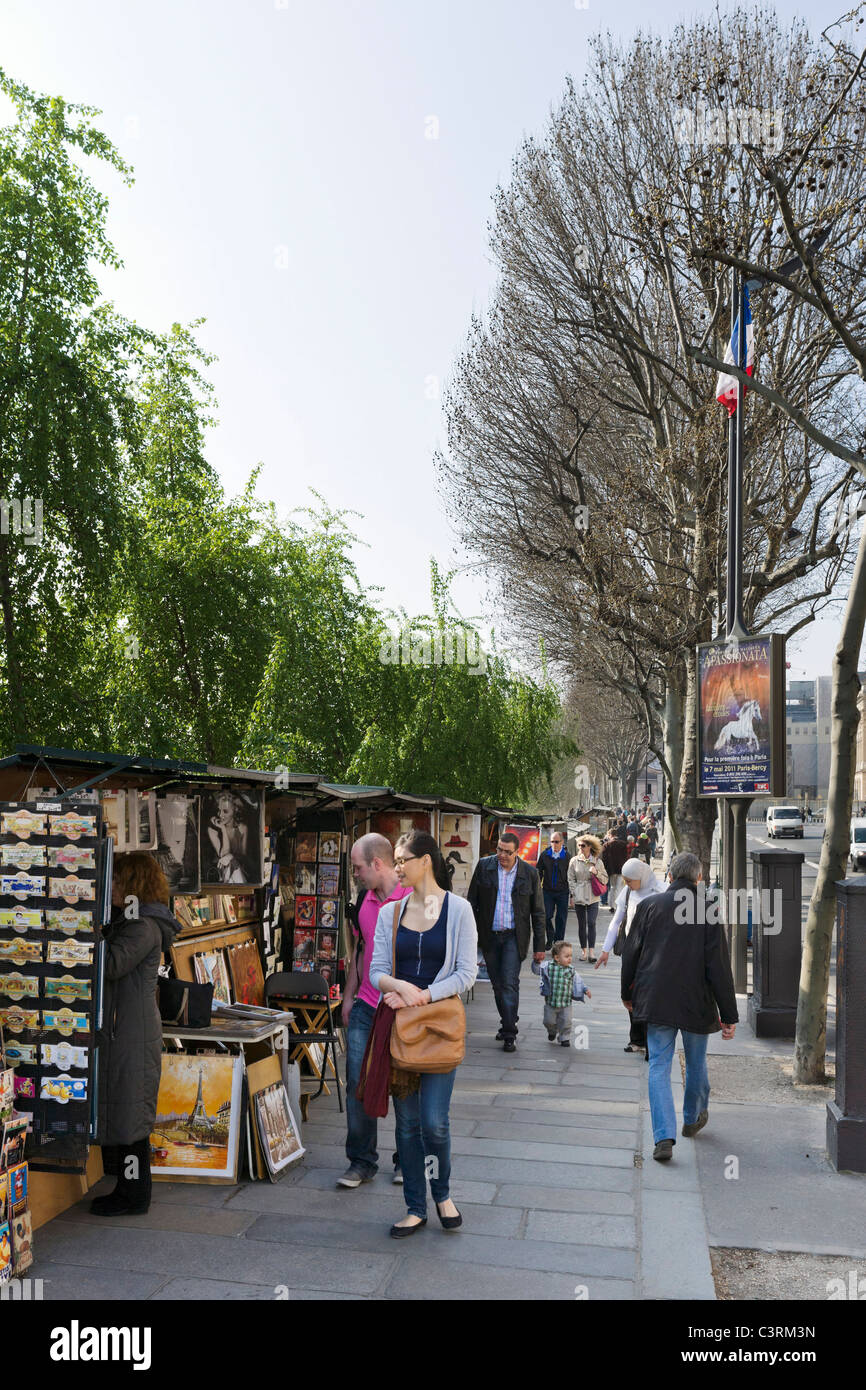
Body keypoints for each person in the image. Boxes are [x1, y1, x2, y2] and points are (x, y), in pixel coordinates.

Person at [368, 831, 477, 1237]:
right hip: (400, 1029)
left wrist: (421, 995)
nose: (396, 868)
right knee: (406, 1125)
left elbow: (467, 973)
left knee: (435, 1123)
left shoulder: (459, 911)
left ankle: (442, 1193)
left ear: (426, 860)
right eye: (395, 861)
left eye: (402, 860)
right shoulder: (388, 914)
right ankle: (415, 1206)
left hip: (438, 1026)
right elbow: (376, 970)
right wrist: (397, 988)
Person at [620, 851, 738, 1162]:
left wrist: (626, 993)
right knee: (696, 1063)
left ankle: (663, 1137)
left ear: (670, 877)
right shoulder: (708, 911)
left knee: (659, 1065)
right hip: (696, 1002)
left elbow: (630, 953)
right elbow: (719, 967)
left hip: (657, 998)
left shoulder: (648, 906)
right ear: (698, 878)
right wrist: (729, 1014)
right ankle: (692, 1116)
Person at [92, 852, 181, 1217]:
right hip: (126, 1027)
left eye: (115, 881)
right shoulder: (135, 921)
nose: (109, 887)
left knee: (131, 1115)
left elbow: (111, 965)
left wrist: (91, 936)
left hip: (131, 1030)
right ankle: (128, 1189)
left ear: (131, 885)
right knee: (127, 1111)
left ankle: (133, 1194)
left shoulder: (142, 926)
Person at [338, 833, 411, 1190]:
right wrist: (349, 997)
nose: (356, 875)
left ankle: (405, 1159)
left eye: (358, 868)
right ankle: (361, 1161)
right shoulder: (362, 902)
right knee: (357, 1081)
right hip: (367, 1005)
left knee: (402, 1084)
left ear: (377, 864)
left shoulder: (412, 898)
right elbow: (360, 952)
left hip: (401, 1009)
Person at [467, 830, 546, 1051]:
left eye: (507, 852)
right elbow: (471, 902)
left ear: (517, 852)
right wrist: (469, 935)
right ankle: (507, 1021)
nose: (502, 855)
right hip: (489, 936)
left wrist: (540, 946)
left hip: (514, 936)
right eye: (499, 850)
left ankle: (510, 1032)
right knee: (497, 985)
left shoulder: (529, 873)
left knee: (510, 983)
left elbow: (538, 912)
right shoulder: (485, 867)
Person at [595, 857, 665, 1056]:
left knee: (649, 996)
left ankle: (650, 1040)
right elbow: (616, 922)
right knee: (629, 994)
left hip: (654, 951)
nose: (626, 884)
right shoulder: (627, 892)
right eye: (624, 880)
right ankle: (637, 1039)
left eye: (629, 880)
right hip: (631, 949)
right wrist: (605, 949)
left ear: (641, 876)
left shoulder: (661, 890)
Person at [534, 939, 590, 1045]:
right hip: (551, 1003)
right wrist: (536, 962)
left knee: (566, 1022)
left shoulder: (571, 970)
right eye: (567, 956)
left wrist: (585, 989)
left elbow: (578, 981)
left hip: (566, 1003)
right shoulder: (548, 967)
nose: (570, 959)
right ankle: (552, 1031)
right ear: (556, 958)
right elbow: (537, 970)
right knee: (548, 1021)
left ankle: (564, 1037)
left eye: (571, 956)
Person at [568, 835, 608, 963]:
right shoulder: (574, 861)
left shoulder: (598, 862)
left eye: (583, 845)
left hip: (593, 896)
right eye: (579, 845)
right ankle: (583, 951)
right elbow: (570, 878)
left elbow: (605, 879)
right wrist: (574, 892)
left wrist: (596, 872)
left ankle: (591, 952)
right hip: (579, 895)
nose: (580, 848)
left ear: (590, 846)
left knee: (591, 922)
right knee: (581, 924)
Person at [537, 830, 571, 948]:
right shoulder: (545, 855)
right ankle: (550, 935)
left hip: (563, 891)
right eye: (552, 842)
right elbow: (538, 872)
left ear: (562, 842)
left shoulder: (567, 856)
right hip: (547, 891)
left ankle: (558, 943)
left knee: (561, 918)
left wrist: (572, 894)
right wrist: (537, 889)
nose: (554, 844)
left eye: (556, 842)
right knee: (546, 916)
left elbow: (571, 875)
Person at [601, 829, 629, 911]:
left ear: (610, 835)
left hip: (612, 869)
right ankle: (618, 905)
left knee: (613, 887)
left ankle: (612, 906)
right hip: (621, 869)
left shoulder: (606, 845)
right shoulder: (623, 844)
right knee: (619, 887)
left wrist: (605, 870)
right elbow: (626, 857)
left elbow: (604, 859)